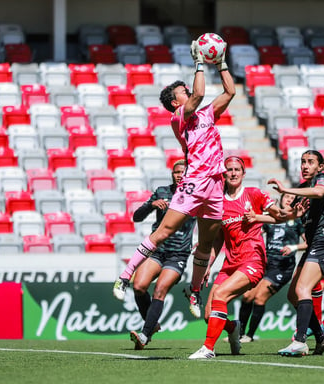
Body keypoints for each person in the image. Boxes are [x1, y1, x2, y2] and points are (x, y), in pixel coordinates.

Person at [113, 38, 236, 321]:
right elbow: (199, 95)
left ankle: (194, 292)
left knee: (205, 243)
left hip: (215, 183)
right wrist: (200, 63)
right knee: (164, 231)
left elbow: (230, 91)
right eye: (183, 90)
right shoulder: (179, 117)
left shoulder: (207, 114)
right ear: (174, 101)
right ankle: (124, 276)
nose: (189, 91)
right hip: (194, 181)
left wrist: (222, 62)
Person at [188, 156, 288, 359]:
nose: (233, 173)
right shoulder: (219, 202)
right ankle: (233, 328)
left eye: (237, 169)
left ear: (243, 173)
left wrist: (258, 217)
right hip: (229, 263)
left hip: (252, 260)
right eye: (229, 169)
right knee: (209, 315)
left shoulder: (254, 194)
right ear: (223, 174)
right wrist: (208, 266)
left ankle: (208, 349)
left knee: (220, 295)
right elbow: (217, 240)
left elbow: (280, 217)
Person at [268, 149, 324, 357]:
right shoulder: (302, 189)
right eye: (302, 162)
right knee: (293, 295)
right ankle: (321, 337)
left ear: (320, 166)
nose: (305, 165)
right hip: (314, 244)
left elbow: (319, 192)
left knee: (302, 289)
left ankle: (300, 341)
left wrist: (285, 188)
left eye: (310, 162)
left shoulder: (322, 180)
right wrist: (256, 216)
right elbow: (285, 216)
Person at [128, 160, 197, 349]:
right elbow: (137, 217)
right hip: (157, 250)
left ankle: (144, 334)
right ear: (172, 174)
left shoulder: (197, 194)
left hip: (178, 254)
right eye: (176, 172)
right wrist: (151, 205)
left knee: (159, 290)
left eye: (183, 172)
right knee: (139, 286)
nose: (180, 175)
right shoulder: (162, 191)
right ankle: (152, 325)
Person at [237, 193, 306, 343]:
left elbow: (308, 243)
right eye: (287, 196)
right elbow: (255, 232)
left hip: (282, 268)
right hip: (265, 264)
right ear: (280, 199)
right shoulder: (270, 219)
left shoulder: (297, 220)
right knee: (247, 296)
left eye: (293, 198)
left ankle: (249, 335)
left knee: (260, 297)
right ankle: (239, 333)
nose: (289, 199)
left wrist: (294, 247)